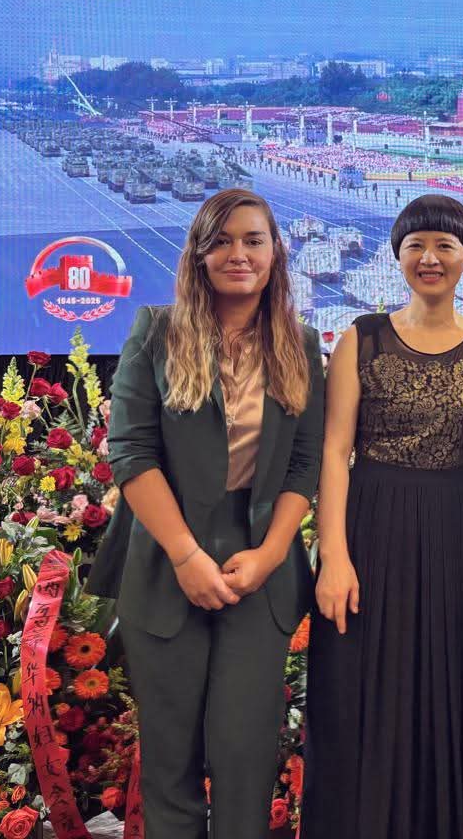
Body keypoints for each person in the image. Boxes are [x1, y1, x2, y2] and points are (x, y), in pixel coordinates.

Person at [88, 189, 324, 839]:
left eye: (253, 239)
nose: (237, 254)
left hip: (260, 572)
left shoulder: (300, 344)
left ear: (276, 252)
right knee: (170, 763)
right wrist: (187, 556)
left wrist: (273, 552)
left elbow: (305, 466)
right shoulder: (155, 332)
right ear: (197, 253)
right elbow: (131, 451)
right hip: (165, 570)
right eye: (220, 240)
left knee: (244, 756)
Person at [303, 194, 463, 838]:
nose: (430, 257)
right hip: (368, 524)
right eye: (417, 244)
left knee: (442, 694)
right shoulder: (362, 337)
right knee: (357, 690)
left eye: (446, 246)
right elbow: (335, 451)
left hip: (451, 525)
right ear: (397, 256)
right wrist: (332, 556)